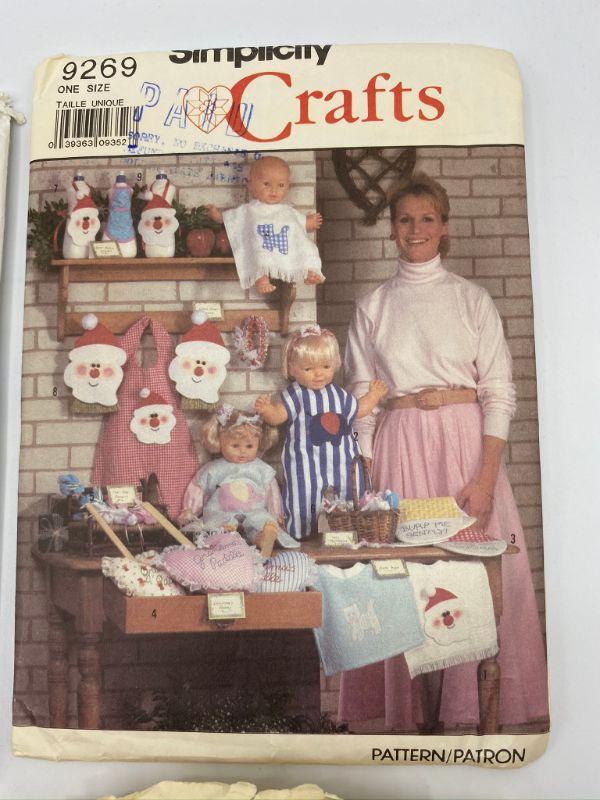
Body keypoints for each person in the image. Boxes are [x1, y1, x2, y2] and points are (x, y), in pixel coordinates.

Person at [340, 172, 548, 731]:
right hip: (399, 446)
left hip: (464, 447)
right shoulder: (373, 304)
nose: (416, 229)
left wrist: (485, 478)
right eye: (405, 219)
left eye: (427, 219)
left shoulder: (471, 299)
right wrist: (366, 478)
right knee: (401, 577)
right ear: (392, 229)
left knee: (473, 577)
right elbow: (363, 399)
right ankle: (405, 713)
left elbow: (499, 393)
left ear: (444, 227)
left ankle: (470, 711)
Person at [255, 325, 388, 539]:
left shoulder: (339, 394)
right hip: (305, 460)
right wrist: (267, 410)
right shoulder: (295, 395)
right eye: (308, 369)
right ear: (292, 368)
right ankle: (301, 532)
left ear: (334, 364)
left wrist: (373, 395)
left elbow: (358, 410)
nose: (318, 374)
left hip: (343, 459)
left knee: (349, 490)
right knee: (304, 493)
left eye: (326, 366)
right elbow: (278, 416)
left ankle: (348, 528)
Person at [177, 405, 298, 557]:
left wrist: (276, 514)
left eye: (249, 446)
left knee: (261, 523)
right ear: (220, 442)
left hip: (254, 512)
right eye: (235, 446)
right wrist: (189, 510)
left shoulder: (261, 469)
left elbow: (271, 493)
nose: (242, 451)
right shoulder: (214, 469)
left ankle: (262, 539)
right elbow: (197, 488)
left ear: (258, 443)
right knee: (218, 525)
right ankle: (226, 536)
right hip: (222, 512)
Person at [208, 155, 325, 293]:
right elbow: (232, 218)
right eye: (266, 184)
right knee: (259, 253)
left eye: (280, 185)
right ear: (250, 185)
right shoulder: (249, 209)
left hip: (285, 246)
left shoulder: (288, 210)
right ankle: (261, 279)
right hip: (263, 247)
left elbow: (299, 224)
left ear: (288, 186)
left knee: (306, 247)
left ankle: (309, 271)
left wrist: (309, 222)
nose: (273, 190)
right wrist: (217, 216)